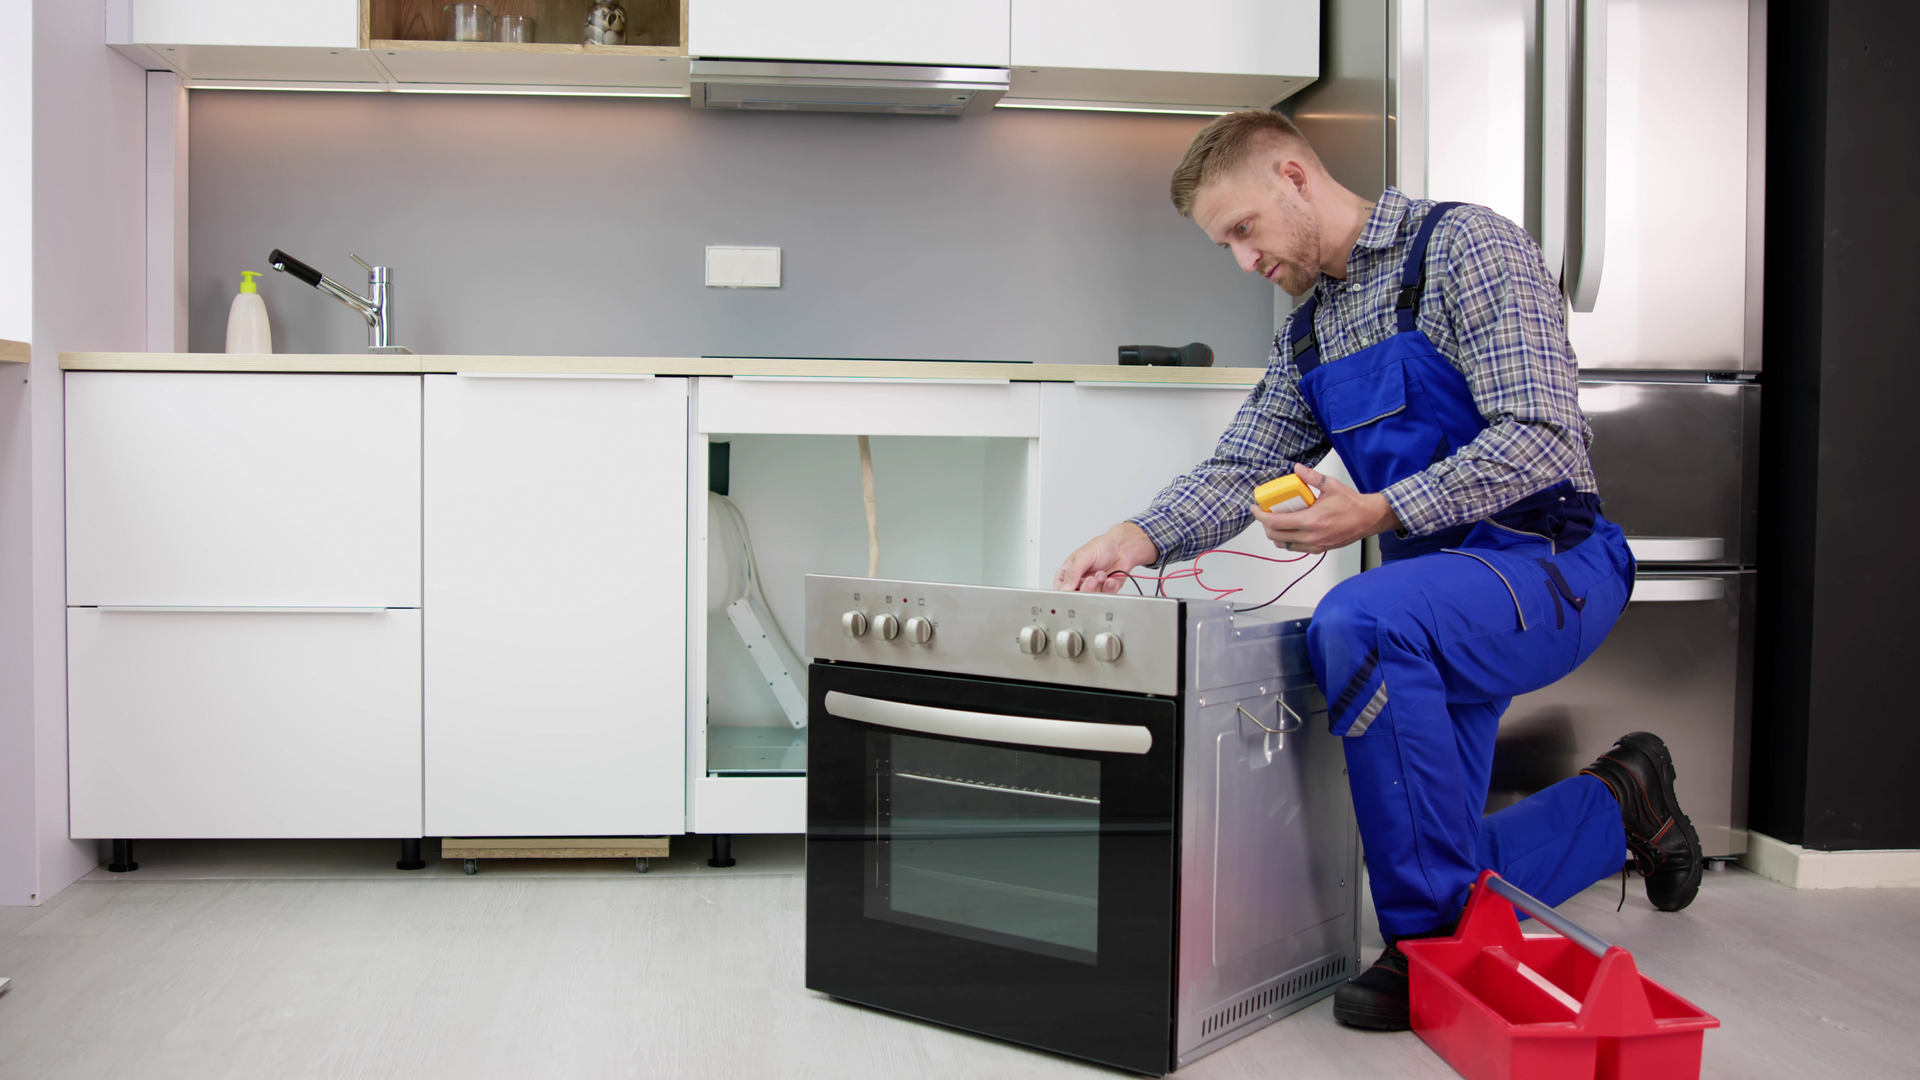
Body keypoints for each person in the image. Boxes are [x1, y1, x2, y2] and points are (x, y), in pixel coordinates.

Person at [1053, 110, 1703, 1032]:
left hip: (1549, 565)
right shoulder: (1310, 333)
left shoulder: (1465, 248)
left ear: (1294, 176)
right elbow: (1242, 468)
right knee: (1438, 857)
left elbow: (1542, 437)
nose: (1243, 259)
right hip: (1434, 597)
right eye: (1224, 244)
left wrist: (1377, 509)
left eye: (1244, 229)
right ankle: (1622, 802)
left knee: (1357, 620)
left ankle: (1426, 951)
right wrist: (1136, 537)